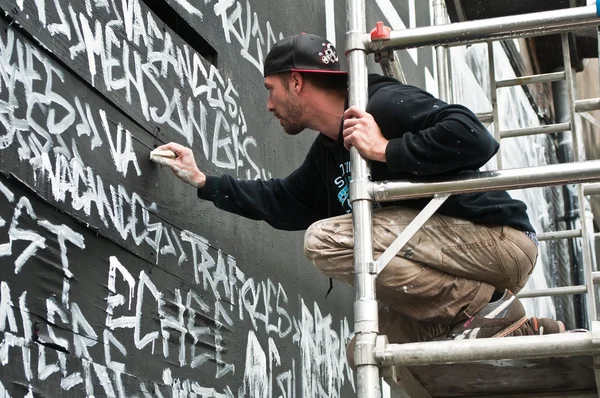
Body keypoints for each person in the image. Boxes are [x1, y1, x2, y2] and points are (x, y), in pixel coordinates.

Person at [153, 33, 565, 345]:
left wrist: (386, 149)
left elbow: (474, 137)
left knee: (325, 240)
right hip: (458, 257)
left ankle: (490, 307)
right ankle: (517, 332)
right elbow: (283, 201)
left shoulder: (379, 104)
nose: (269, 105)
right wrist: (204, 181)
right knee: (370, 340)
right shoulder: (327, 154)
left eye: (270, 90)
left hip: (498, 240)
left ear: (296, 82)